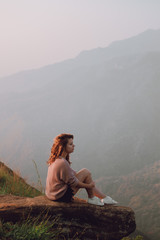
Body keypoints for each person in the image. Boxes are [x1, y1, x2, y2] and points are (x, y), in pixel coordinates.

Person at [45, 133, 118, 206]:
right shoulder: (62, 162)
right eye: (70, 144)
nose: (73, 145)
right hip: (60, 197)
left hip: (52, 195)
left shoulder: (56, 159)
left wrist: (84, 178)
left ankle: (101, 198)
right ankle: (95, 198)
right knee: (86, 172)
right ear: (63, 147)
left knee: (85, 173)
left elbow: (71, 174)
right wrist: (89, 186)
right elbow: (74, 183)